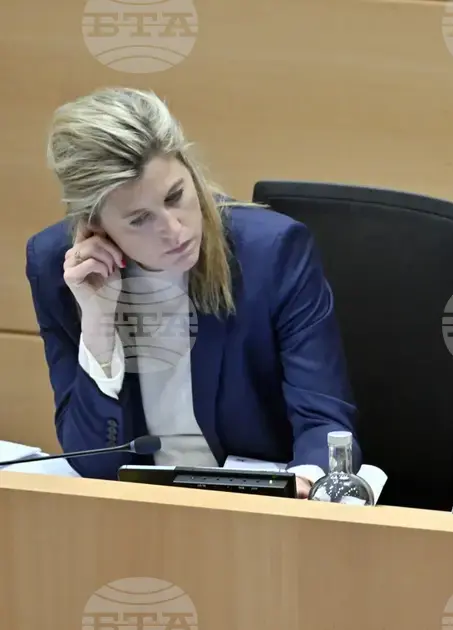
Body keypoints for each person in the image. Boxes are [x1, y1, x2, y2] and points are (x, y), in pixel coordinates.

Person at [25, 87, 359, 498]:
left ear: (190, 172)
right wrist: (97, 322)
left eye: (175, 196)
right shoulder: (60, 269)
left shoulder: (272, 253)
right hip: (144, 511)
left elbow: (325, 424)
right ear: (97, 227)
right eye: (140, 219)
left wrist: (306, 484)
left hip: (259, 508)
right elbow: (94, 463)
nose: (175, 230)